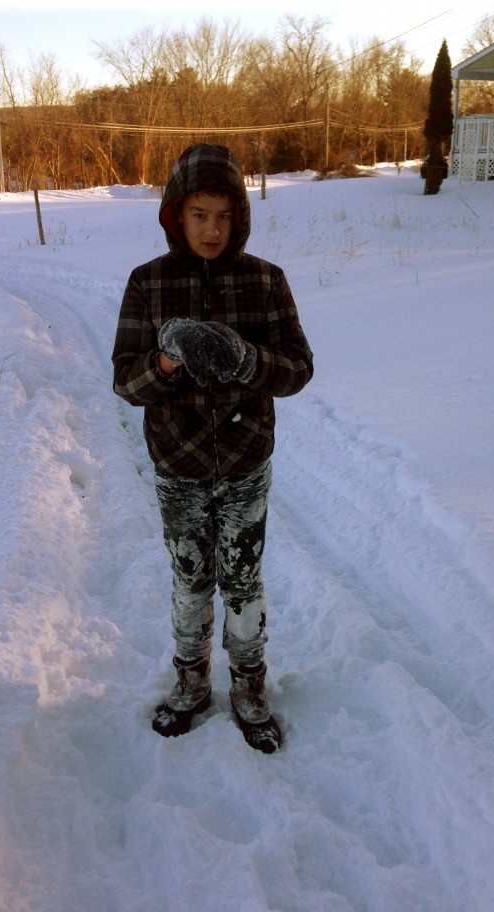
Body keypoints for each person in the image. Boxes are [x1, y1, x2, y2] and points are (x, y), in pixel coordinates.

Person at [112, 143, 313, 753]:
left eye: (223, 216)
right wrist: (167, 360)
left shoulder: (265, 281)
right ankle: (192, 683)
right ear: (176, 214)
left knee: (244, 579)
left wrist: (249, 360)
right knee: (191, 579)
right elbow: (126, 381)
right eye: (199, 214)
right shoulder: (149, 283)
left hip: (246, 462)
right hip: (179, 465)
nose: (211, 229)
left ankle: (250, 686)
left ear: (240, 216)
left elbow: (298, 369)